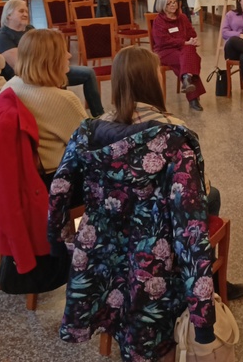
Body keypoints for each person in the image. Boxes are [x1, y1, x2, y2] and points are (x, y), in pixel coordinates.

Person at [47, 46, 217, 361]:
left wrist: (57, 242)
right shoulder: (174, 138)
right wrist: (202, 317)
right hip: (152, 258)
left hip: (98, 250)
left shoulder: (87, 131)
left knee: (116, 311)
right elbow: (189, 228)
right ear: (152, 82)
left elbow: (59, 187)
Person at [0, 29, 87, 183]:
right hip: (60, 180)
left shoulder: (9, 86)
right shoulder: (63, 99)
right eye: (63, 52)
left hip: (25, 178)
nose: (69, 55)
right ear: (50, 60)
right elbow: (88, 146)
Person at [0, 0, 105, 117]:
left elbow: (45, 50)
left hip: (47, 68)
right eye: (21, 11)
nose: (25, 14)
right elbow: (20, 67)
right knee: (77, 81)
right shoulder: (4, 37)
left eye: (26, 11)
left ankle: (98, 114)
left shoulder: (30, 29)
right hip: (30, 79)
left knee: (88, 72)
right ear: (8, 15)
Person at [151, 0, 205, 111]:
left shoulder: (183, 17)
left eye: (175, 2)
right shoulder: (158, 21)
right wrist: (185, 42)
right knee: (189, 58)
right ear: (162, 5)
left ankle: (187, 79)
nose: (173, 5)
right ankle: (192, 96)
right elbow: (162, 41)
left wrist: (193, 40)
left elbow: (192, 33)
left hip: (183, 49)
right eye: (169, 3)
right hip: (165, 51)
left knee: (187, 54)